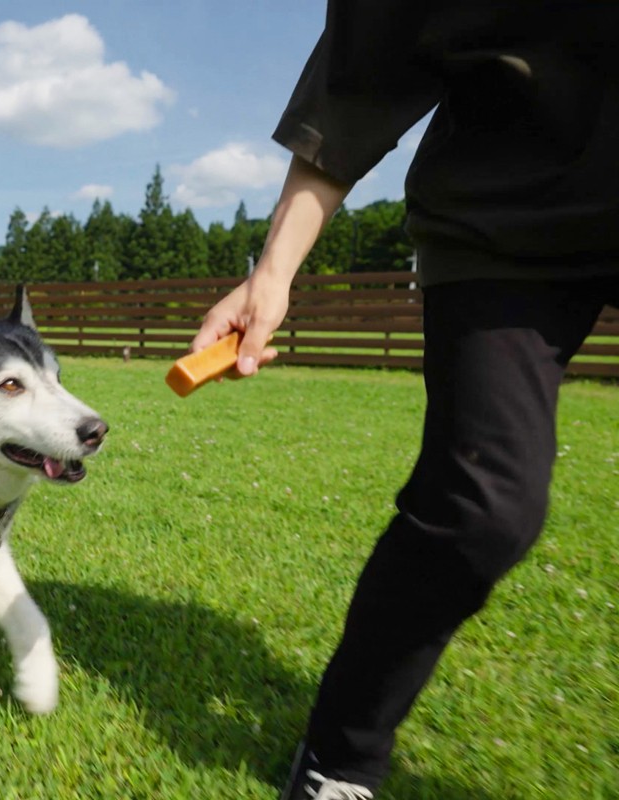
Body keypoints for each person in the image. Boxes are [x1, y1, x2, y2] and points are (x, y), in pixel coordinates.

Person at [188, 2, 619, 797]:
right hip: (503, 225)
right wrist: (272, 272)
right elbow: (356, 83)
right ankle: (341, 757)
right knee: (481, 509)